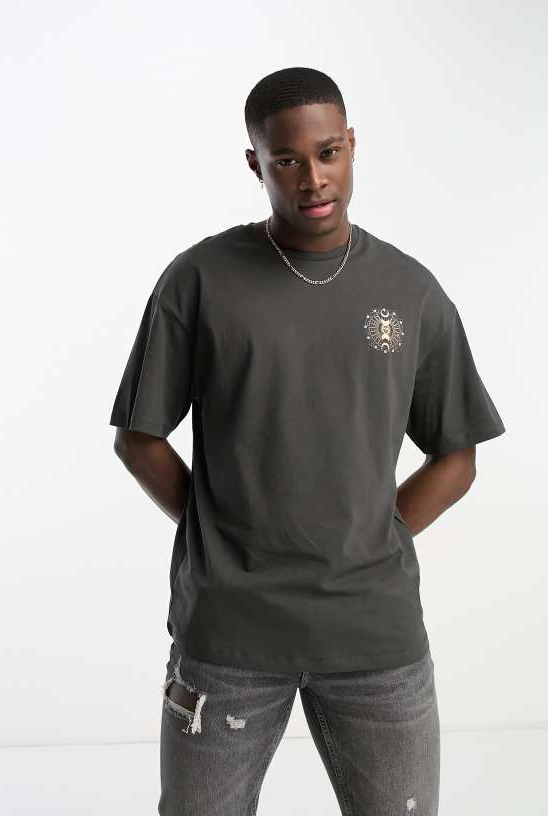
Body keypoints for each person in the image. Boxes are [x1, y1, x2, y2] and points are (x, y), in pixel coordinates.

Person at [109, 66, 506, 816]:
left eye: (328, 153)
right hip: (229, 635)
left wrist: (382, 530)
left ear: (352, 145)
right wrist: (215, 526)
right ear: (255, 163)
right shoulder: (200, 280)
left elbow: (456, 454)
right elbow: (140, 436)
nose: (313, 179)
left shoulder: (410, 290)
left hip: (374, 637)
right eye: (287, 159)